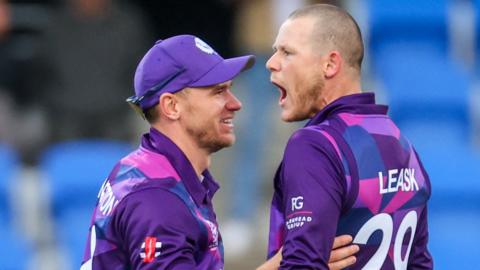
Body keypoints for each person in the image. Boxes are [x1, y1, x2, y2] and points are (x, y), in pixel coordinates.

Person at [80, 35, 357, 269]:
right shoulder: (159, 201)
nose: (235, 103)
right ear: (171, 106)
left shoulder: (149, 169)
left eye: (230, 89)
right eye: (217, 92)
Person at [263, 4, 433, 269]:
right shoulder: (401, 142)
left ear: (330, 64)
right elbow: (420, 262)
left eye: (287, 52)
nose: (271, 63)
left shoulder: (315, 145)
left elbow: (301, 265)